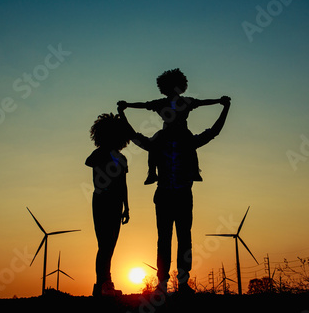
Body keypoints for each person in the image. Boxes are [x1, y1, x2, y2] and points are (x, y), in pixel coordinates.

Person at [118, 95, 231, 295]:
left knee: (177, 238)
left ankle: (177, 283)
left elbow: (213, 131)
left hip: (175, 194)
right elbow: (136, 135)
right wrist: (224, 107)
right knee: (172, 238)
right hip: (171, 194)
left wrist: (224, 107)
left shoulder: (172, 142)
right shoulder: (169, 142)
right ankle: (167, 283)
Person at [119, 68, 224, 185]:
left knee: (157, 146)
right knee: (177, 145)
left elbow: (203, 102)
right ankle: (155, 173)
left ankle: (159, 173)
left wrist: (219, 101)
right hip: (175, 131)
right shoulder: (178, 102)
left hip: (175, 131)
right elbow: (144, 105)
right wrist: (219, 101)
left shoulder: (173, 102)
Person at [85, 112, 131, 297]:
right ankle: (102, 284)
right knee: (104, 245)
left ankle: (104, 283)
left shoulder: (121, 159)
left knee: (110, 245)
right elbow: (90, 163)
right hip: (102, 201)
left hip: (116, 203)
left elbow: (123, 184)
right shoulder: (99, 155)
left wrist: (126, 207)